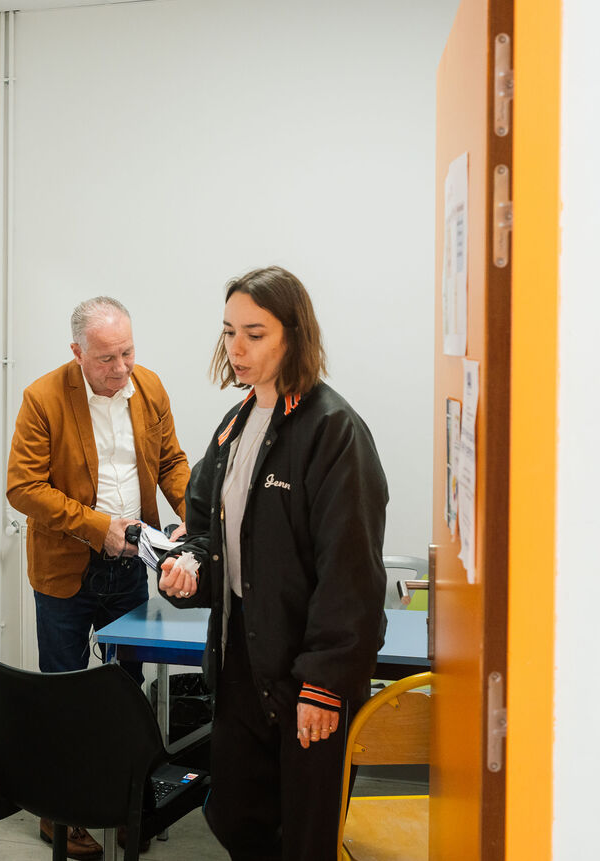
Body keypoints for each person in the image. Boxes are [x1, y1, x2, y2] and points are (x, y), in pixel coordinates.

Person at [155, 267, 388, 861]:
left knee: (305, 839)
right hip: (239, 663)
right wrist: (187, 567)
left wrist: (325, 687)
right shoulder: (234, 426)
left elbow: (351, 575)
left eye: (255, 334)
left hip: (305, 672)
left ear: (294, 335)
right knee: (238, 820)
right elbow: (205, 533)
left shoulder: (333, 431)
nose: (237, 348)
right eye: (229, 332)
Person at [5, 296, 190, 859]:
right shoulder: (43, 398)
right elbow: (23, 488)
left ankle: (123, 804)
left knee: (125, 694)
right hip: (65, 569)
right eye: (107, 358)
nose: (121, 367)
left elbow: (172, 463)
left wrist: (196, 520)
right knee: (64, 694)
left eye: (127, 352)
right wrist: (97, 527)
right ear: (77, 352)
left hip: (133, 565)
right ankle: (60, 813)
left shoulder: (149, 387)